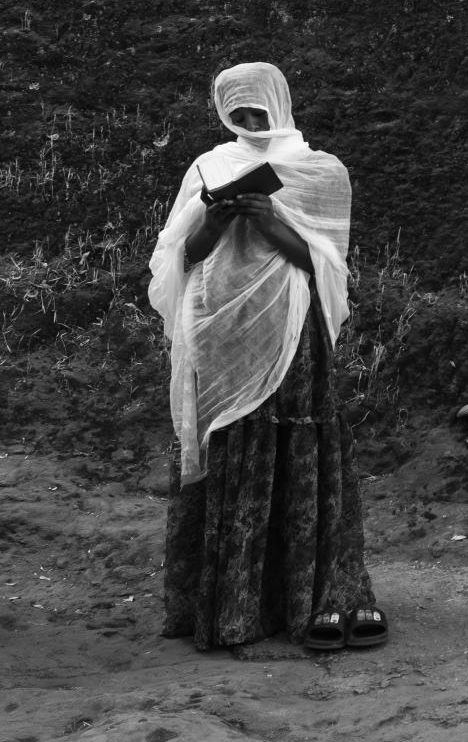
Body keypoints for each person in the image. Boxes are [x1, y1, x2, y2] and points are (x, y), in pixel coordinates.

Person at [147, 62, 385, 651]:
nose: (251, 126)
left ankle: (313, 596)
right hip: (220, 330)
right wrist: (216, 220)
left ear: (280, 105)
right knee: (233, 447)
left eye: (259, 113)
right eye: (239, 116)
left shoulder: (320, 171)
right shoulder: (209, 168)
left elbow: (325, 265)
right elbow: (184, 256)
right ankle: (234, 608)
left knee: (297, 444)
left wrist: (271, 220)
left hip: (291, 331)